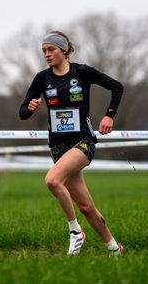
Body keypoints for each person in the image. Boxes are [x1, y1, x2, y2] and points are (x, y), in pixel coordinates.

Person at [19, 30, 124, 257]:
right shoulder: (42, 79)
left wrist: (109, 115)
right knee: (86, 207)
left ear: (63, 50)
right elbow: (22, 112)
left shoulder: (82, 72)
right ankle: (115, 249)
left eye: (51, 50)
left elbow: (117, 87)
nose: (46, 54)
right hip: (58, 147)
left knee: (52, 180)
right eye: (43, 51)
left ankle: (75, 232)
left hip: (83, 142)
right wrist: (29, 108)